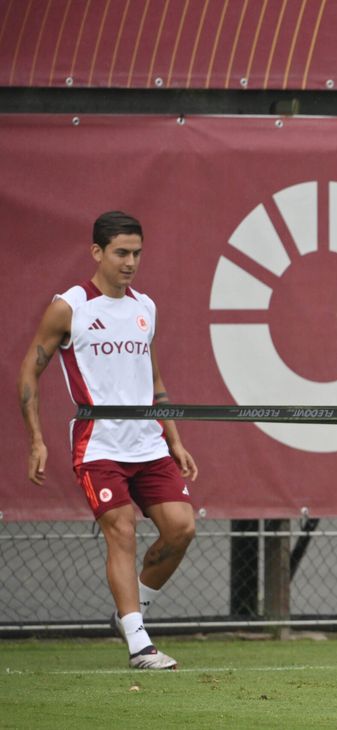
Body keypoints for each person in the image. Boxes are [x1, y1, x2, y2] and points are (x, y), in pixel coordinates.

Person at [17, 211, 199, 670]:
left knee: (181, 529)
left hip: (149, 443)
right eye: (121, 252)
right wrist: (36, 440)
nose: (130, 262)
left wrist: (174, 440)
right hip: (98, 445)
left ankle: (132, 613)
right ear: (97, 252)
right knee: (121, 531)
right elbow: (29, 370)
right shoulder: (71, 306)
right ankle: (139, 643)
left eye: (137, 253)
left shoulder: (145, 308)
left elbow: (155, 381)